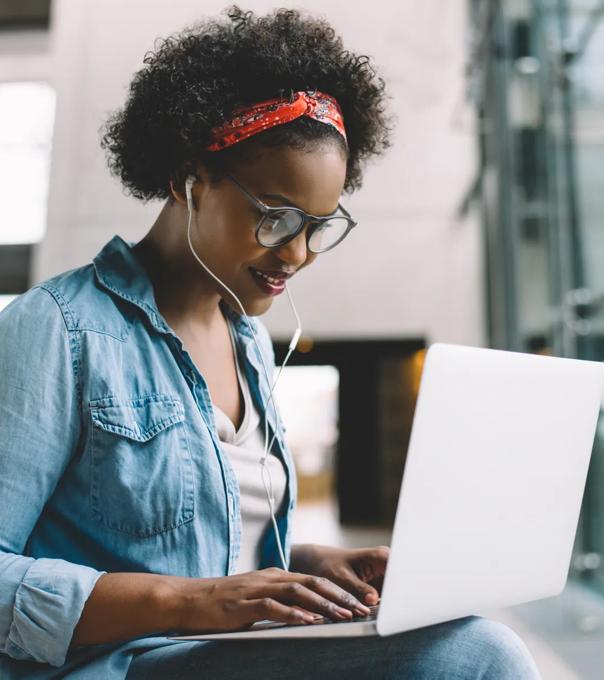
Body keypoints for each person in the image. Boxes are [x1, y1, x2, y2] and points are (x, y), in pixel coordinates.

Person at [0, 5, 542, 678]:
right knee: (476, 657)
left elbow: (213, 542)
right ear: (188, 180)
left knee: (460, 632)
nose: (300, 252)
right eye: (277, 217)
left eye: (319, 225)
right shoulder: (56, 329)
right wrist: (185, 602)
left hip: (226, 657)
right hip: (122, 664)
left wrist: (313, 567)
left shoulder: (248, 341)